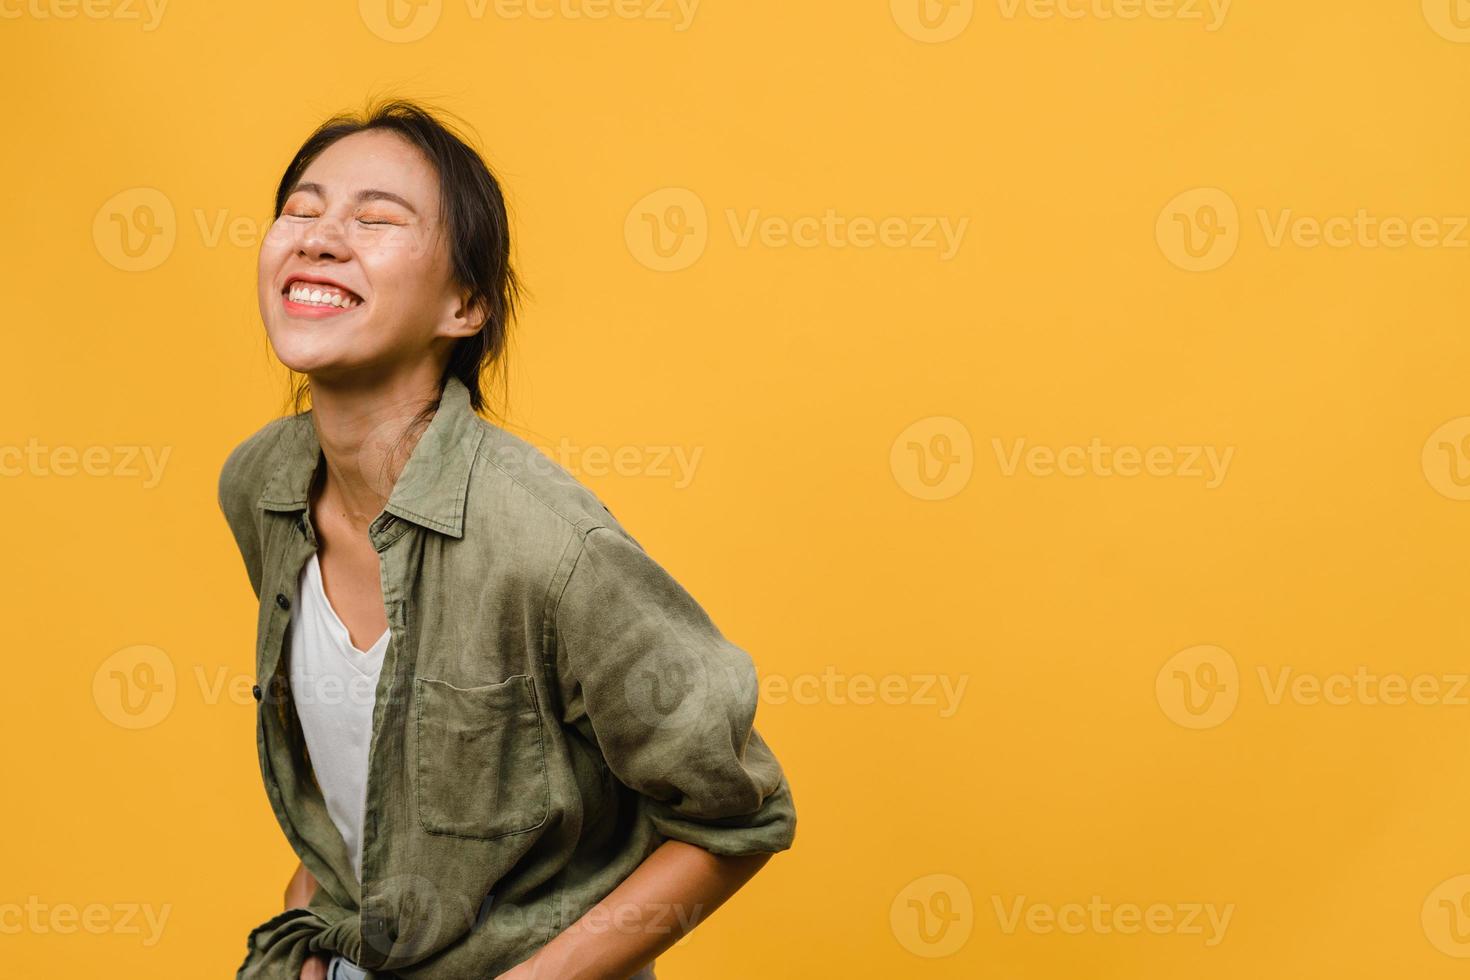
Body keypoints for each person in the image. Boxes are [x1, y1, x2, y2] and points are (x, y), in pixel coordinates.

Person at [217, 99, 797, 979]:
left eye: (376, 219)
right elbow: (362, 768)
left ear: (467, 303)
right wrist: (311, 923)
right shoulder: (259, 487)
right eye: (301, 208)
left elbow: (738, 817)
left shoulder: (550, 547)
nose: (320, 237)